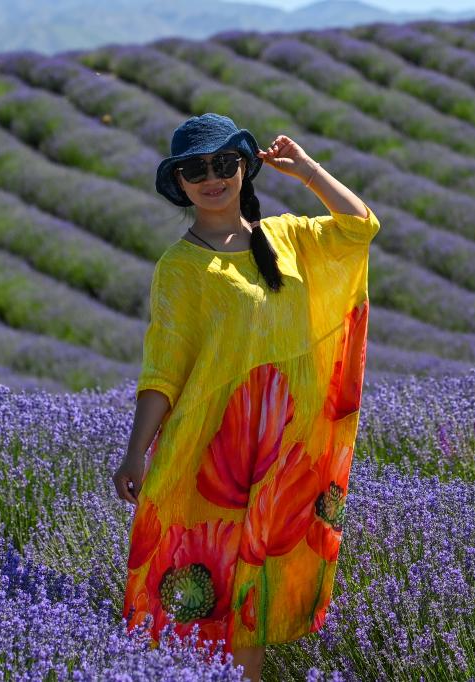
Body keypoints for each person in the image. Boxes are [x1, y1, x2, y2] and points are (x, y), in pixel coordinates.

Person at [111, 113, 379, 682]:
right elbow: (163, 369)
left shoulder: (288, 237)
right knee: (212, 599)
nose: (212, 178)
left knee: (250, 603)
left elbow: (360, 227)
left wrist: (306, 171)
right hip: (210, 455)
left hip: (284, 454)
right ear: (179, 183)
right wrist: (135, 452)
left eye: (223, 164)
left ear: (243, 167)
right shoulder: (180, 268)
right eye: (196, 170)